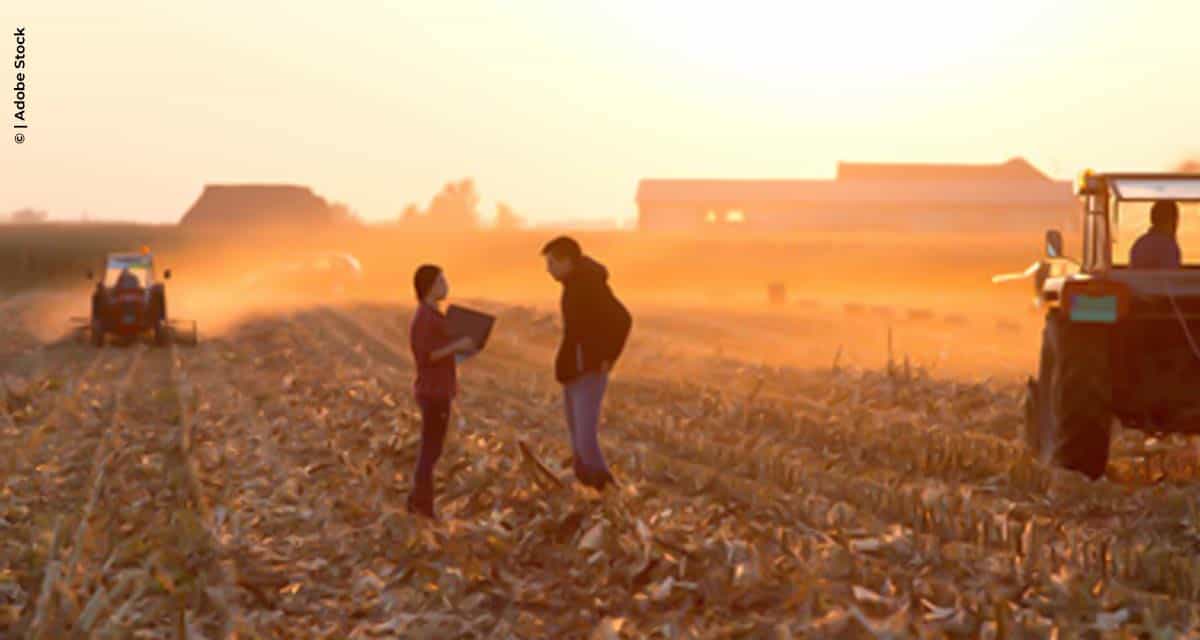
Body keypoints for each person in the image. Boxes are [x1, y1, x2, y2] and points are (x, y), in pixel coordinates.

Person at [542, 236, 633, 490]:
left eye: (551, 262)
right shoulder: (573, 284)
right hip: (573, 369)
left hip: (588, 370)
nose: (548, 269)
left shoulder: (590, 285)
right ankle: (586, 488)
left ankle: (607, 490)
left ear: (566, 261)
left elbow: (623, 319)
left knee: (585, 438)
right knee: (576, 437)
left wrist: (607, 357)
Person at [406, 264, 475, 519]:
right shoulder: (426, 317)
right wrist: (458, 345)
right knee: (430, 451)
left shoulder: (434, 314)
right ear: (429, 286)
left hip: (439, 389)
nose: (446, 285)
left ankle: (418, 501)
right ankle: (423, 506)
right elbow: (427, 356)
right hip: (433, 391)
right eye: (441, 281)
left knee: (432, 449)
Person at [1130, 200, 1182, 269]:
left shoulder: (1140, 243)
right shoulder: (1168, 246)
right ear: (1171, 220)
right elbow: (1170, 277)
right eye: (1175, 219)